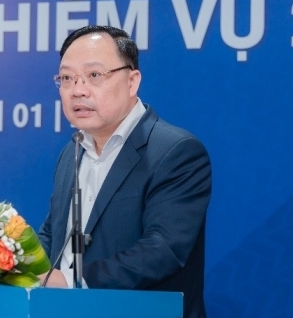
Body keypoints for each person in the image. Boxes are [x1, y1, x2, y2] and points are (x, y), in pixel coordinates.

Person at [38, 25, 212, 318]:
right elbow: (55, 234)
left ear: (132, 81)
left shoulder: (176, 151)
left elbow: (163, 250)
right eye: (67, 78)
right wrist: (9, 265)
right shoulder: (73, 150)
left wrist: (71, 281)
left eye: (94, 75)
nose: (78, 90)